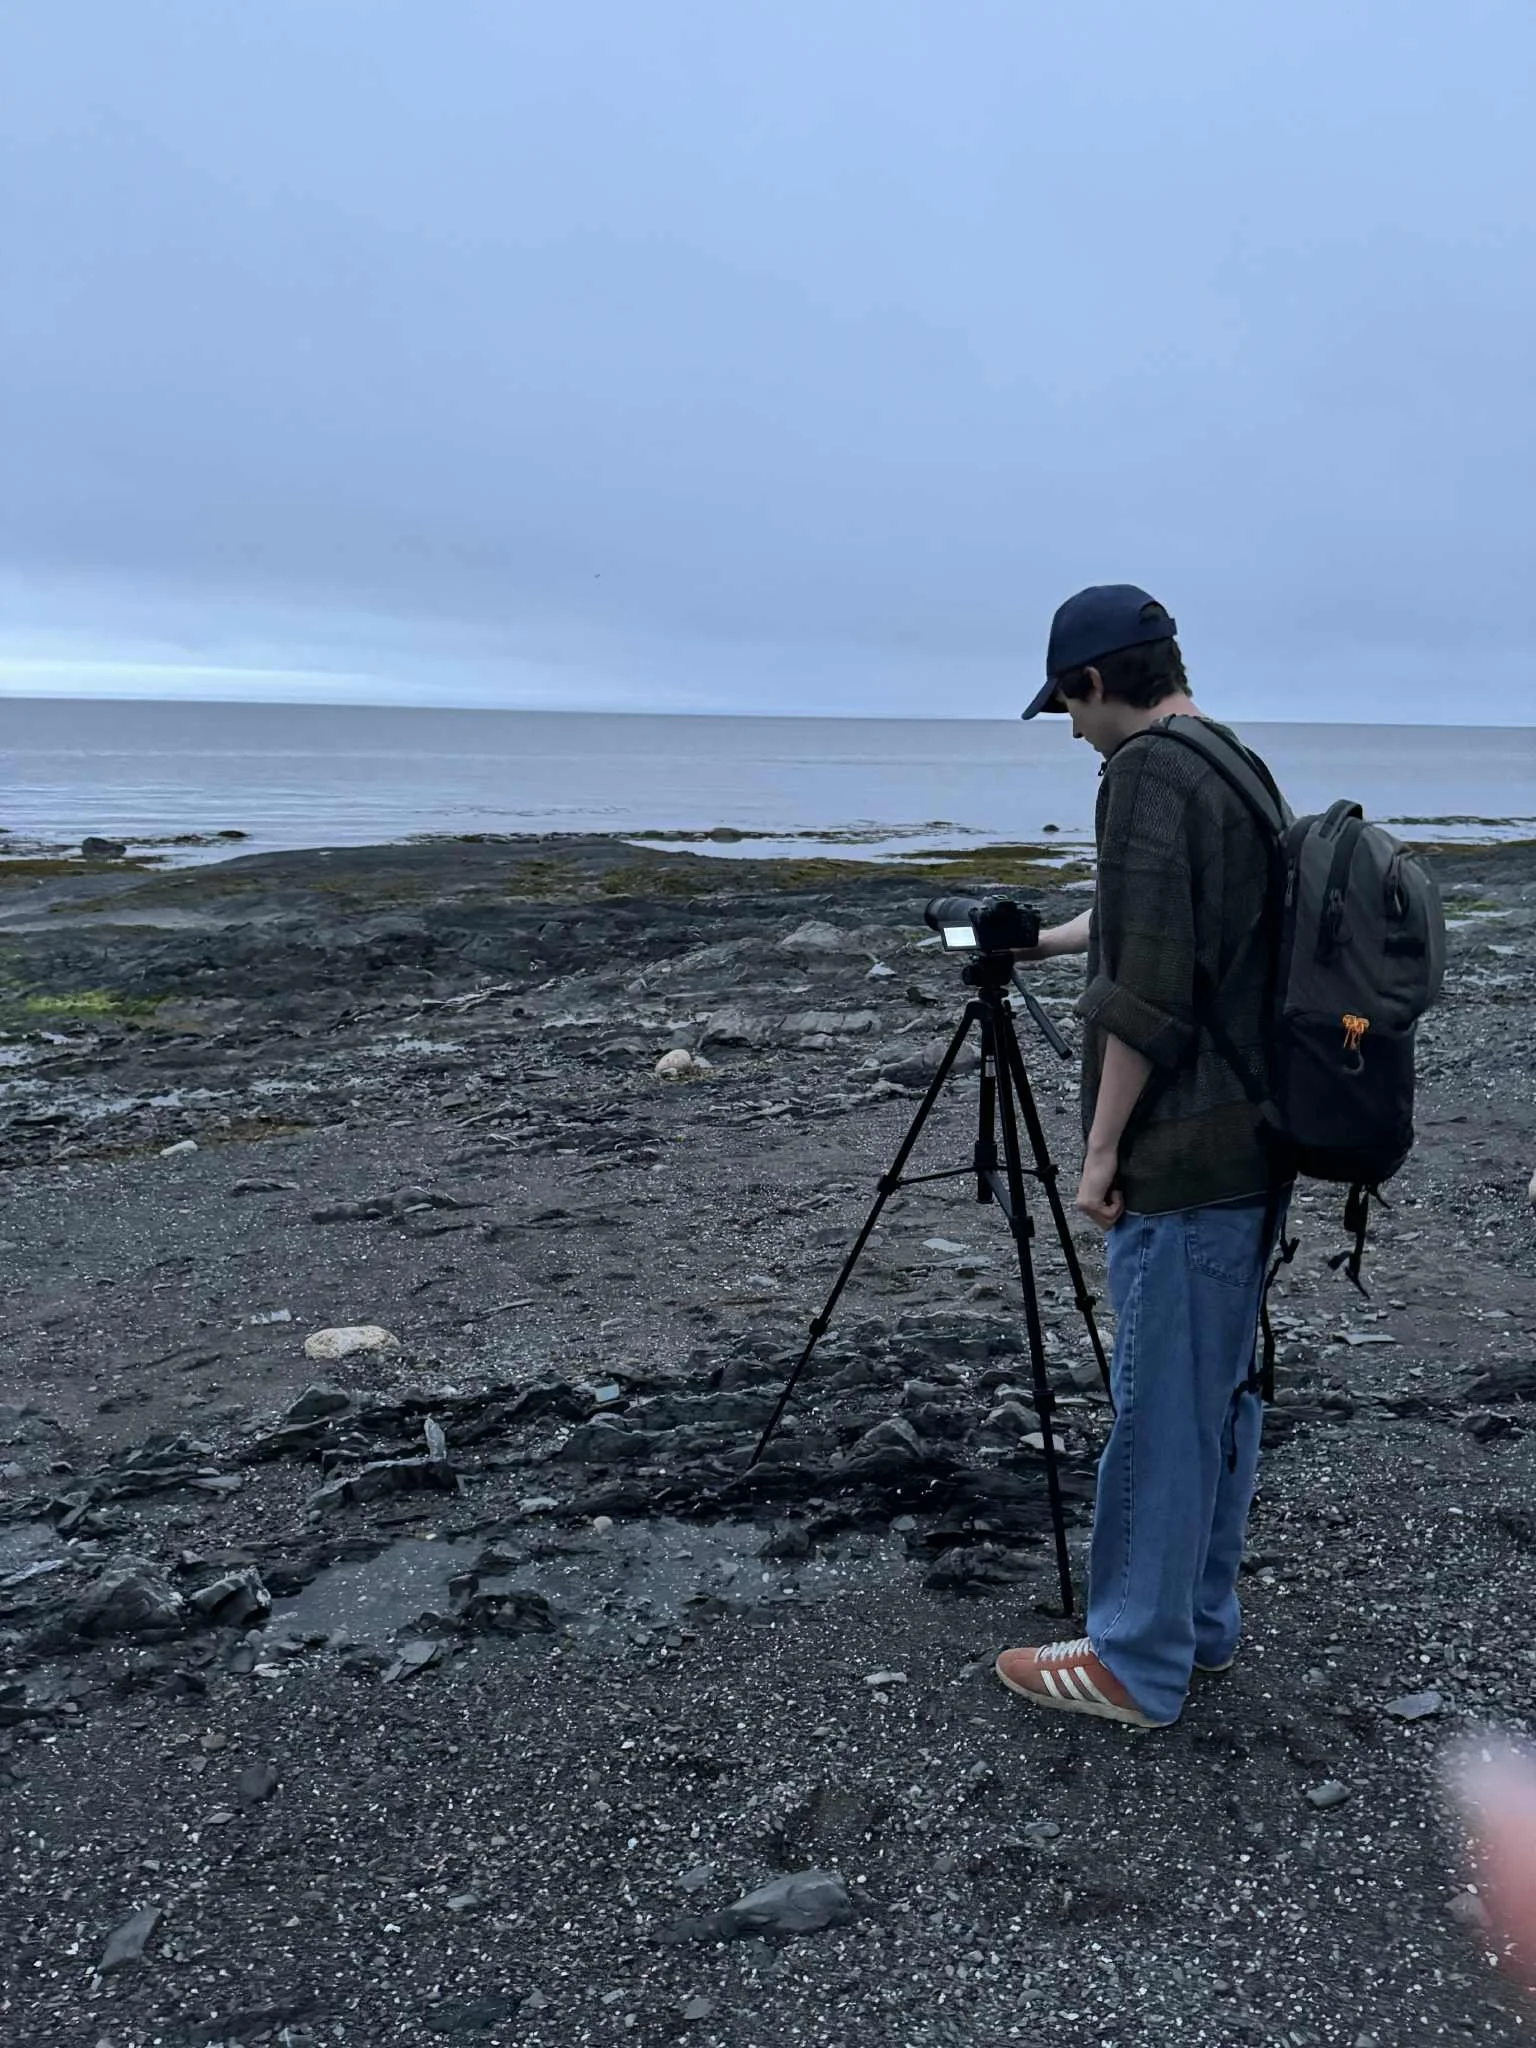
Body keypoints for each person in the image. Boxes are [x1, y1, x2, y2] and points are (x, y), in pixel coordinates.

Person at [994, 583, 1288, 1730]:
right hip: (1256, 1144)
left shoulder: (1144, 774)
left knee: (1162, 1402)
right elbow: (1156, 909)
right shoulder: (1228, 759)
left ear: (1094, 681)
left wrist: (1101, 1150)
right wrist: (1047, 936)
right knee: (1214, 1393)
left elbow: (1148, 992)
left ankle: (1132, 1660)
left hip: (1185, 1151)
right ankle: (1196, 1624)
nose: (1070, 730)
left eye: (1067, 706)